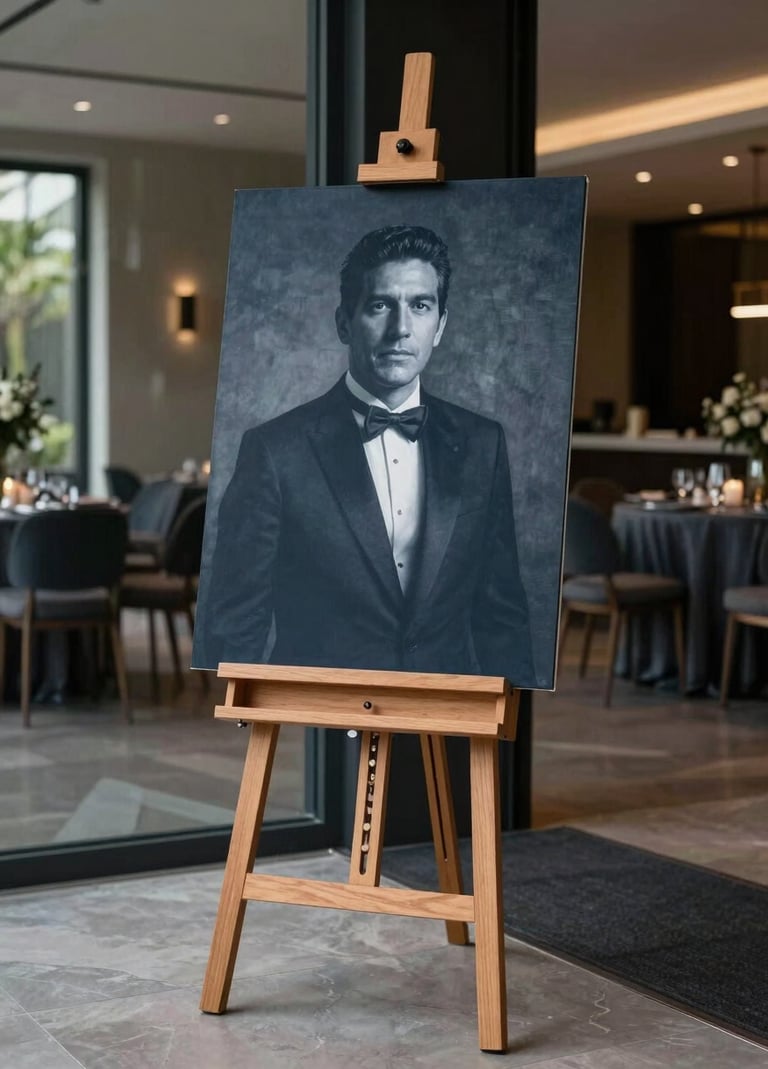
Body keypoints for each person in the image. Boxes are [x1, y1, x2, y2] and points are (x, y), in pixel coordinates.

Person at [197, 224, 535, 684]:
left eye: (420, 306)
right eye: (380, 305)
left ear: (440, 326)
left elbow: (503, 616)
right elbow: (237, 622)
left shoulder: (483, 443)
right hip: (318, 710)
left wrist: (509, 710)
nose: (401, 329)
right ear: (344, 323)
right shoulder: (274, 450)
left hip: (445, 706)